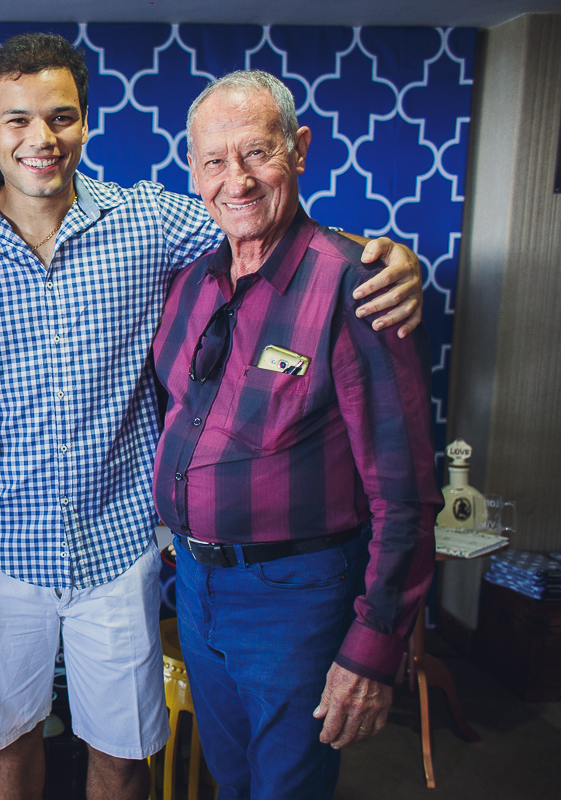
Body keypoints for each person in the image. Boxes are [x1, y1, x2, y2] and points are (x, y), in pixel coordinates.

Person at [0, 34, 424, 800]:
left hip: (119, 543)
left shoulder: (149, 221)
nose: (42, 139)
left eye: (62, 117)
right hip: (1, 544)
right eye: (19, 120)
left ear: (86, 123)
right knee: (8, 752)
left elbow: (269, 228)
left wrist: (386, 257)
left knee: (122, 757)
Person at [152, 71, 442, 799]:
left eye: (257, 153)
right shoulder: (191, 283)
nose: (237, 179)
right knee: (232, 781)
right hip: (195, 584)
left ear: (300, 150)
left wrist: (374, 650)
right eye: (215, 161)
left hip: (295, 598)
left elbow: (405, 494)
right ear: (193, 170)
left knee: (287, 788)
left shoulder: (357, 287)